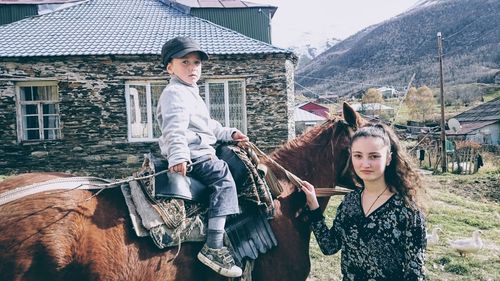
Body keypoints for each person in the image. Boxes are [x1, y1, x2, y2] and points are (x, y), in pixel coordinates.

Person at [157, 36, 247, 278]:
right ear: (170, 67)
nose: (192, 67)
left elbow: (209, 127)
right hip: (193, 155)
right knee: (224, 177)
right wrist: (178, 156)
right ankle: (214, 245)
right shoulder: (175, 92)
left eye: (196, 63)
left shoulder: (190, 92)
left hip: (200, 149)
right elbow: (174, 128)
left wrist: (230, 133)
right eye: (184, 62)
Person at [300, 123, 427, 281]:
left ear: (388, 158)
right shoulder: (349, 202)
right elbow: (329, 246)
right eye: (358, 156)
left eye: (374, 156)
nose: (365, 164)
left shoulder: (408, 210)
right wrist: (314, 207)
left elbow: (415, 273)